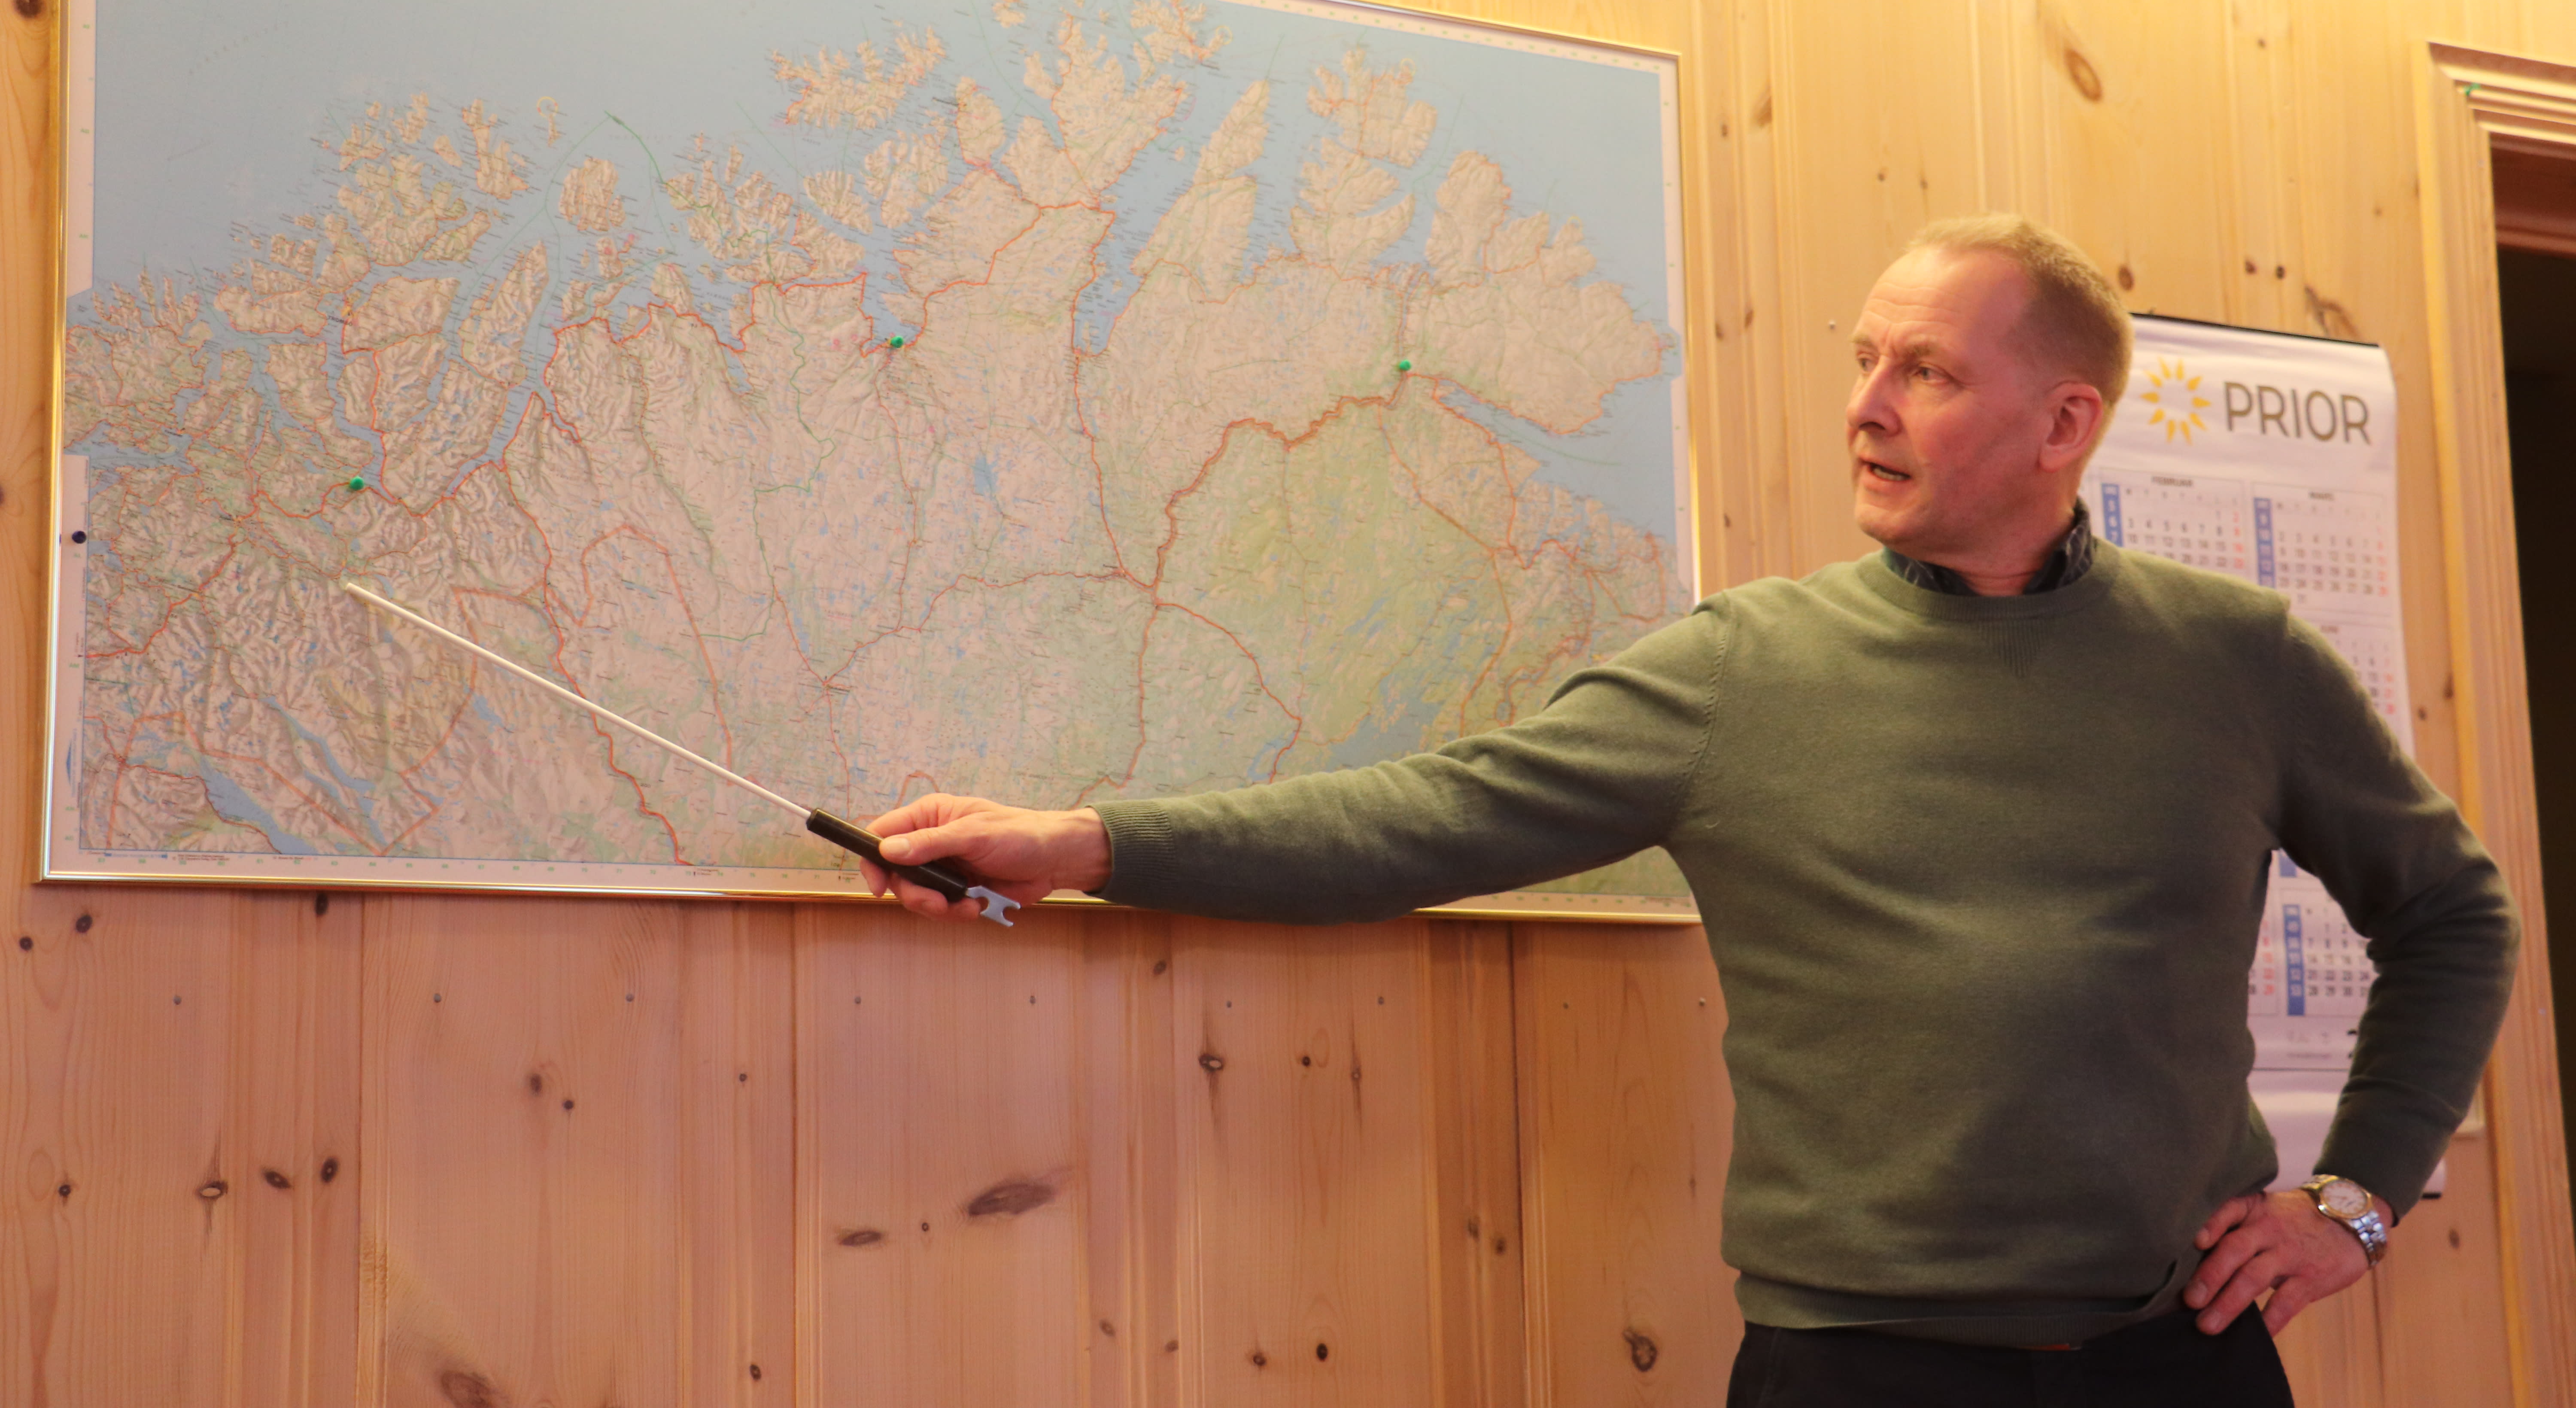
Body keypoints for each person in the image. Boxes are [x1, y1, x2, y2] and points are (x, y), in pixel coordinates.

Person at [857, 215, 2517, 1406]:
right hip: (1852, 1368)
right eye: (1863, 360)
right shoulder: (1744, 672)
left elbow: (2454, 915)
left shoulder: (2237, 658)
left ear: (2062, 424)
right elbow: (1427, 818)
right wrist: (1084, 846)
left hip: (2181, 1360)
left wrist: (2359, 1199)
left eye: (1927, 371)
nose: (1866, 405)